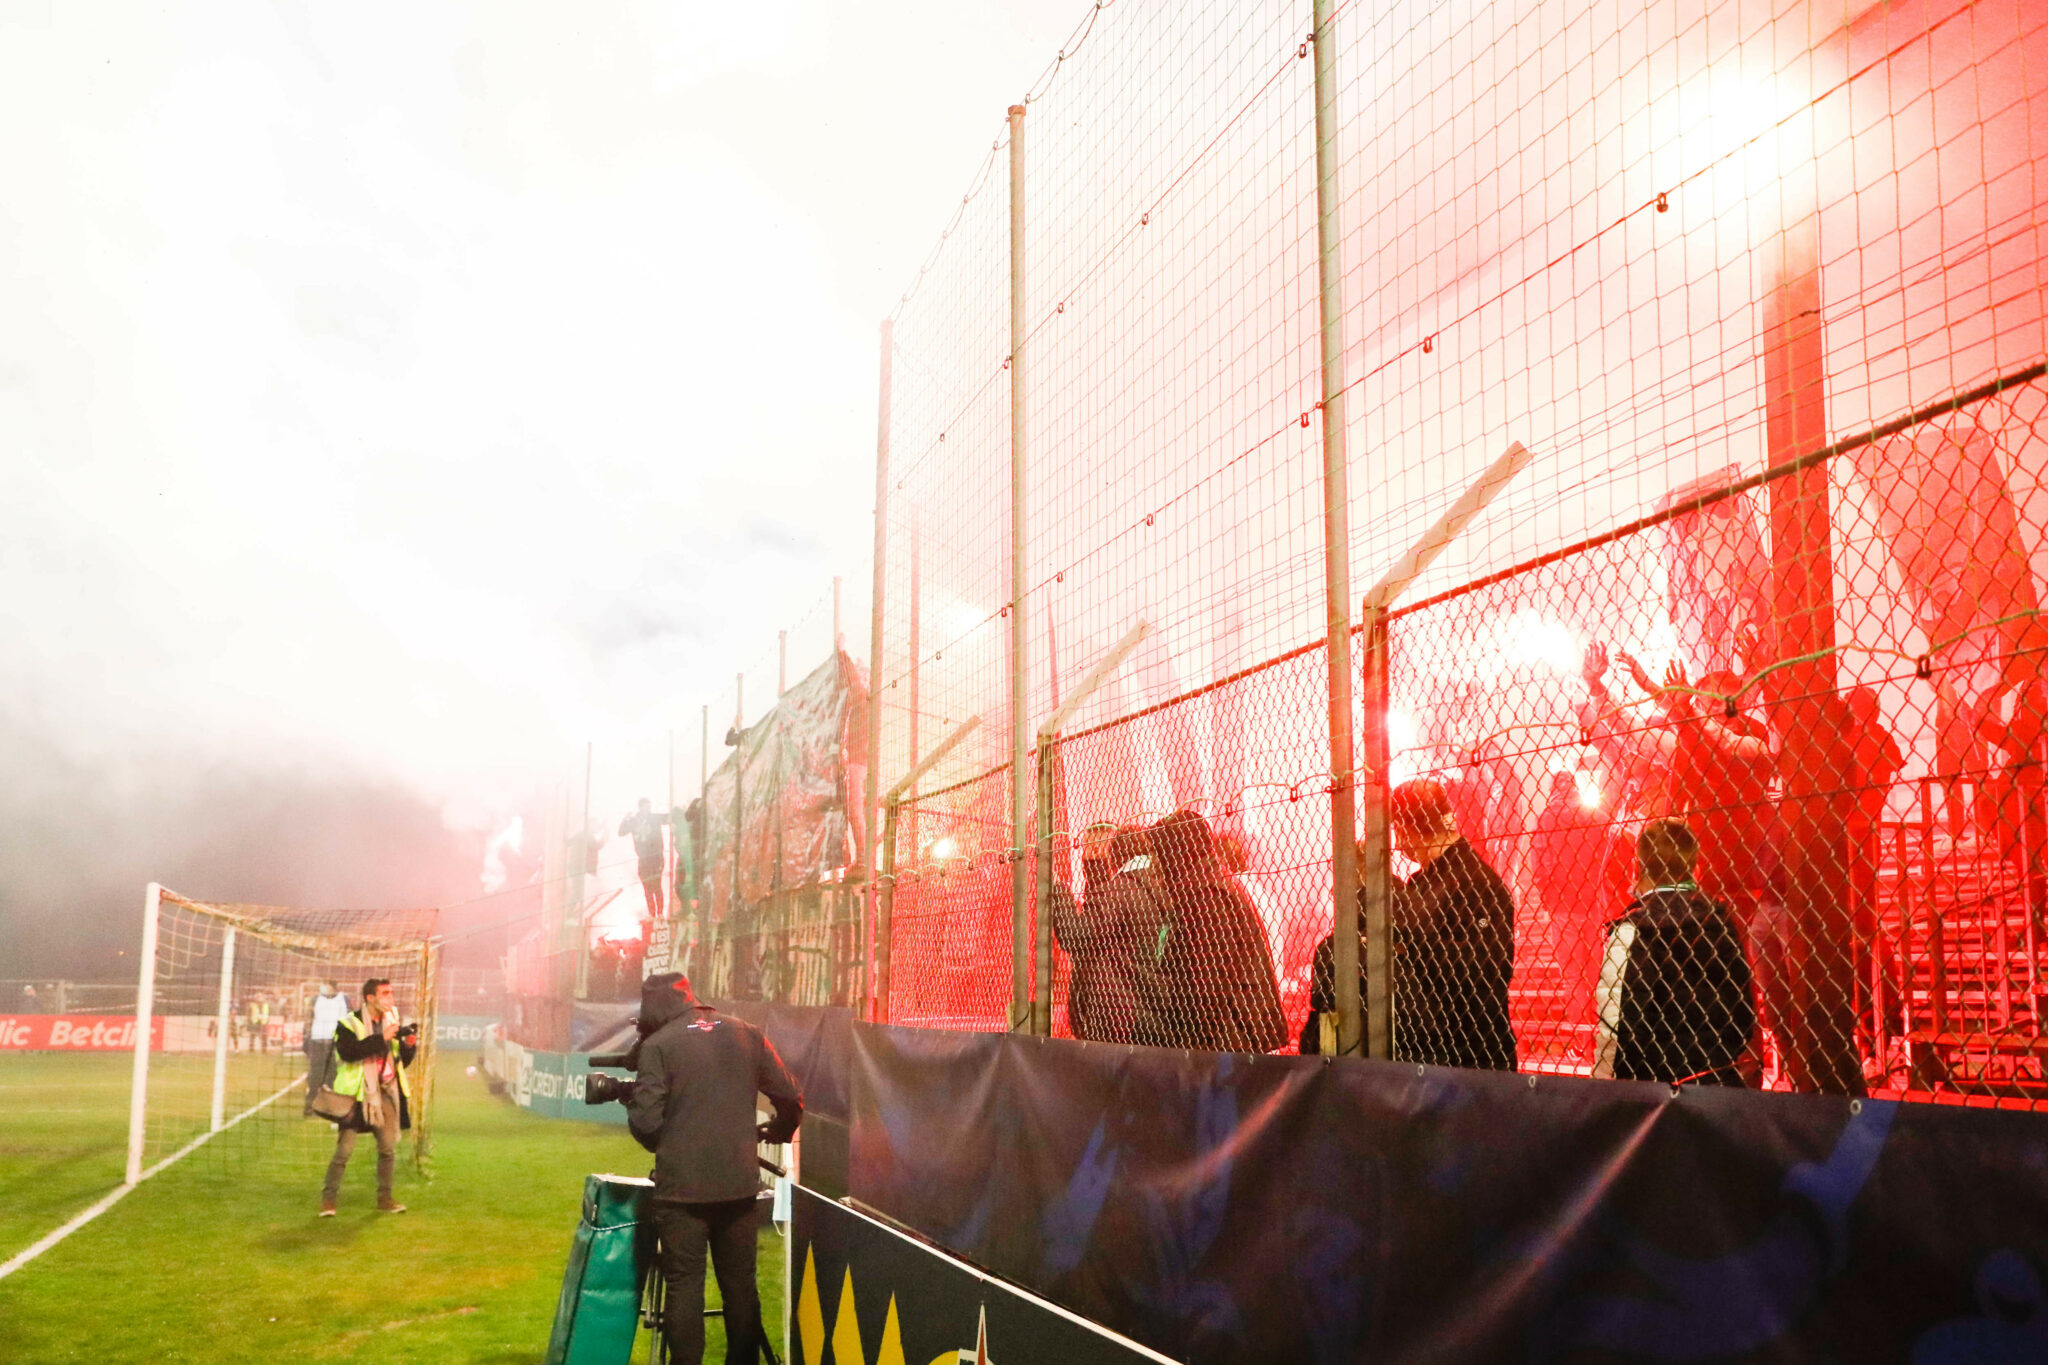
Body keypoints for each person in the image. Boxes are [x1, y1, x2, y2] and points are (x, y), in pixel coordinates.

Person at [627, 972, 802, 1365]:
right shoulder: (746, 1032)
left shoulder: (658, 1045)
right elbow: (790, 1096)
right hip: (738, 1185)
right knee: (740, 1286)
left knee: (685, 1284)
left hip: (681, 1191)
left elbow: (646, 1123)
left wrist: (669, 1144)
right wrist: (781, 1129)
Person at [1593, 818, 1756, 1085]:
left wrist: (1603, 1086)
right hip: (1715, 1079)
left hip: (1650, 1091)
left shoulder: (1631, 931)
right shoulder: (1719, 921)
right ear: (1693, 865)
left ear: (1639, 867)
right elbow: (1742, 1012)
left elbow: (1616, 1028)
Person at [1387, 778, 1518, 1070]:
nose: (1396, 845)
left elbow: (1479, 974)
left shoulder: (1477, 884)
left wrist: (1409, 940)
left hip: (1471, 1056)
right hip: (1436, 1053)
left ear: (1408, 829)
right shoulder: (1427, 882)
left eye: (1397, 830)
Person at [1147, 809, 1287, 1054]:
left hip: (1225, 1044)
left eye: (1158, 853)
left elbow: (1205, 988)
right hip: (1228, 1039)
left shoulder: (1206, 896)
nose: (1155, 863)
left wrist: (1180, 1041)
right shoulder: (1202, 887)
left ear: (1177, 852)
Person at [320, 978, 418, 1216]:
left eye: (391, 993)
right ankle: (328, 1200)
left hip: (383, 1094)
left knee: (387, 1150)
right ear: (370, 998)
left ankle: (385, 1199)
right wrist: (382, 1038)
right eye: (385, 993)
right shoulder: (348, 1024)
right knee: (344, 1150)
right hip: (356, 1095)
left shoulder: (391, 1022)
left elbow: (399, 1063)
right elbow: (349, 1052)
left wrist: (409, 1045)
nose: (390, 997)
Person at [302, 982, 349, 1116]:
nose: (322, 989)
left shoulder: (343, 1000)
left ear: (333, 988)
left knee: (332, 1077)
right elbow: (308, 1020)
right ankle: (310, 1107)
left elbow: (349, 1021)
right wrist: (306, 1041)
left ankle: (329, 1108)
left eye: (325, 986)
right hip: (317, 1042)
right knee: (314, 1077)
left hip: (335, 1043)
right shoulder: (315, 1000)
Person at [621, 798, 673, 918]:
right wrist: (625, 819)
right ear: (640, 807)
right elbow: (622, 832)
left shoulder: (654, 818)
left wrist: (678, 812)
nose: (648, 809)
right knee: (647, 887)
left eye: (649, 807)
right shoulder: (634, 821)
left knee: (657, 885)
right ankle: (652, 913)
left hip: (656, 856)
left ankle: (660, 913)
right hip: (643, 858)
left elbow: (669, 818)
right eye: (646, 807)